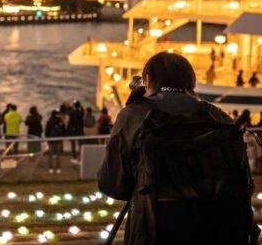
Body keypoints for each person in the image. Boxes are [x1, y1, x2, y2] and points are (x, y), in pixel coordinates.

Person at [98, 52, 259, 245]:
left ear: (147, 81)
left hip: (154, 234)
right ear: (192, 83)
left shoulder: (134, 115)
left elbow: (113, 184)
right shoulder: (220, 118)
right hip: (217, 233)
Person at [45, 110, 65, 174]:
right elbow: (64, 130)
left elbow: (47, 131)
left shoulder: (49, 121)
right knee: (58, 155)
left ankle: (51, 168)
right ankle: (58, 168)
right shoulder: (60, 121)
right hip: (59, 140)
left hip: (51, 139)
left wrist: (47, 138)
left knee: (51, 154)